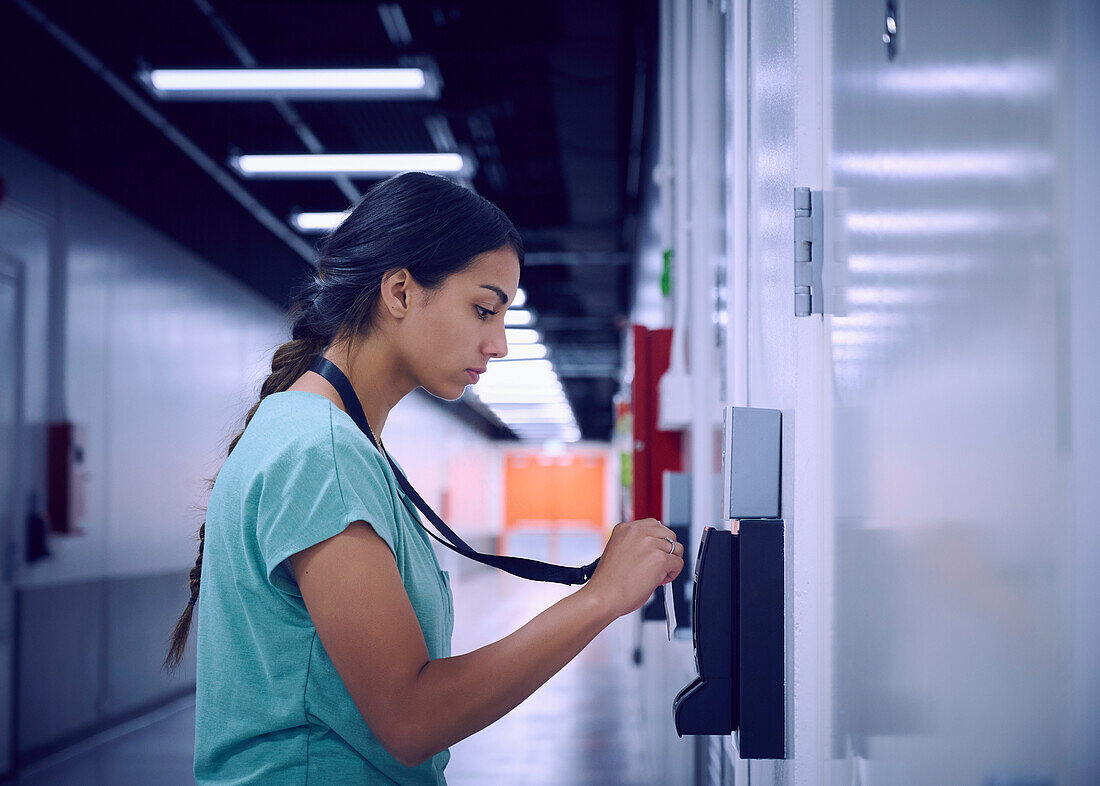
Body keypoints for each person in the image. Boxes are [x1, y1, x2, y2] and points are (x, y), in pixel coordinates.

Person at [164, 171, 684, 785]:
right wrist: (600, 598)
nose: (499, 344)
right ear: (401, 293)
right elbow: (410, 718)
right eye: (484, 309)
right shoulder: (319, 452)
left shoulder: (335, 440)